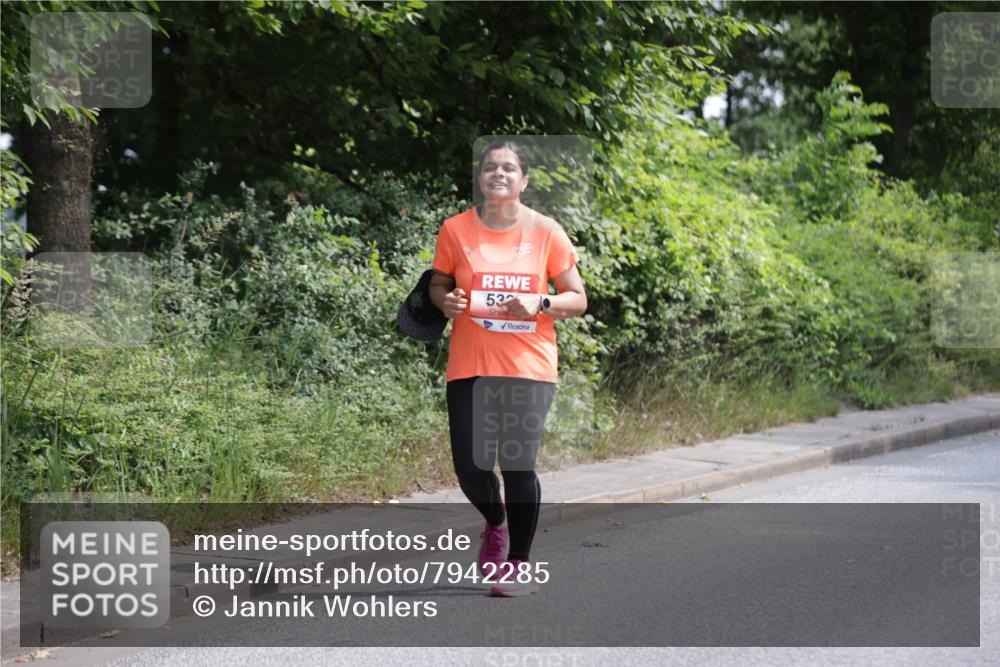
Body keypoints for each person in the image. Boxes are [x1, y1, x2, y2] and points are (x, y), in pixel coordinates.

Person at [428, 140, 587, 597]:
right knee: (470, 468)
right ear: (481, 177)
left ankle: (518, 565)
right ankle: (495, 522)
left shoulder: (546, 231)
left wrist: (540, 301)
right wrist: (448, 299)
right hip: (470, 365)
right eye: (490, 167)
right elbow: (439, 284)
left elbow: (577, 298)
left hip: (528, 367)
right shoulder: (455, 229)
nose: (499, 173)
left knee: (518, 465)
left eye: (509, 168)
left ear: (524, 180)